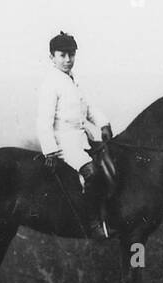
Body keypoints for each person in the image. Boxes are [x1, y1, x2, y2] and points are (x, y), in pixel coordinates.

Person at [37, 31, 114, 239]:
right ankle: (92, 224)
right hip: (64, 143)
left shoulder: (72, 81)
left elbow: (88, 108)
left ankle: (110, 216)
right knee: (92, 173)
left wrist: (103, 123)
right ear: (52, 57)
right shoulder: (50, 84)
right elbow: (43, 121)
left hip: (82, 137)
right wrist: (50, 151)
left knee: (112, 162)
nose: (67, 60)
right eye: (62, 55)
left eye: (71, 55)